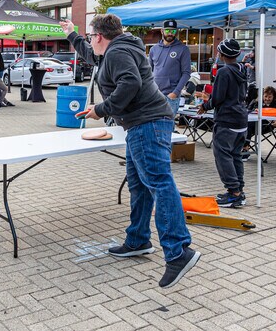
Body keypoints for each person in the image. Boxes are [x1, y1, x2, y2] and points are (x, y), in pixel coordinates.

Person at [60, 15, 199, 289]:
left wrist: (101, 109)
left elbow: (130, 84)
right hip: (141, 124)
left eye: (90, 36)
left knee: (159, 182)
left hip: (147, 123)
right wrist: (72, 34)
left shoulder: (118, 53)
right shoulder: (116, 49)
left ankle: (179, 251)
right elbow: (92, 55)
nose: (89, 41)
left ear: (100, 36)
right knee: (140, 185)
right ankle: (138, 239)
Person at [198, 38, 248, 208]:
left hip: (227, 119)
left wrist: (205, 106)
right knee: (235, 155)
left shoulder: (224, 72)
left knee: (223, 155)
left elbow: (218, 97)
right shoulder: (242, 69)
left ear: (221, 54)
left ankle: (234, 193)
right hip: (241, 118)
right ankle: (239, 191)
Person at [148, 19, 191, 117]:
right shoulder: (154, 49)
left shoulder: (183, 49)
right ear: (162, 31)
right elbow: (148, 72)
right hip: (154, 95)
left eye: (173, 31)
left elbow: (186, 73)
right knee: (153, 126)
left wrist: (175, 93)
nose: (170, 33)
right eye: (167, 31)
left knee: (167, 127)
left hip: (171, 96)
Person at [243, 86, 276, 159]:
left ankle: (245, 149)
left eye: (270, 97)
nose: (267, 99)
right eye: (265, 96)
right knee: (245, 125)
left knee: (247, 126)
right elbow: (247, 110)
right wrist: (255, 101)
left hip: (267, 126)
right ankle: (244, 148)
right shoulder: (258, 102)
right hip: (253, 125)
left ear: (274, 97)